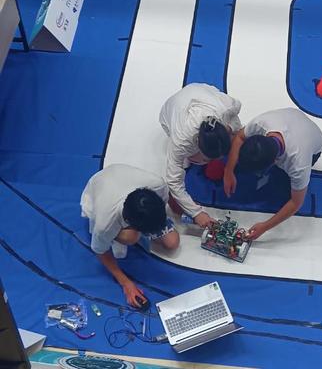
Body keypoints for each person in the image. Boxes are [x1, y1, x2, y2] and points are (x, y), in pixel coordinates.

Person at [81, 164, 179, 307]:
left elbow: (167, 198)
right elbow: (100, 251)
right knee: (130, 238)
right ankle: (121, 236)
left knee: (172, 242)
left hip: (117, 173)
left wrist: (184, 210)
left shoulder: (157, 185)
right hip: (99, 187)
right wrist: (126, 283)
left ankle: (146, 229)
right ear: (130, 223)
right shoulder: (105, 223)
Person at [224, 108, 322, 240]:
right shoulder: (260, 124)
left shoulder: (298, 164)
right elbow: (239, 137)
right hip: (293, 116)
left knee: (282, 189)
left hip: (314, 141)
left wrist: (265, 226)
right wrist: (228, 171)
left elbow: (296, 203)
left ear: (274, 162)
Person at [159, 83, 242, 227]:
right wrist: (196, 213)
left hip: (200, 90)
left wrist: (230, 129)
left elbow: (237, 108)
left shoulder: (225, 109)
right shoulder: (181, 141)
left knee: (236, 138)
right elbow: (173, 182)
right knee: (194, 161)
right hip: (170, 111)